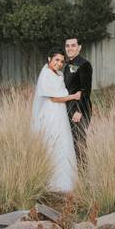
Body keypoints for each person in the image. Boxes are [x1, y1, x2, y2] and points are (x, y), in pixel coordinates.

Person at [32, 48, 81, 193]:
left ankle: (65, 181)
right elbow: (53, 98)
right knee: (53, 142)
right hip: (50, 112)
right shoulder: (46, 74)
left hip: (59, 112)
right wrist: (73, 97)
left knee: (62, 143)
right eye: (56, 60)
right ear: (49, 59)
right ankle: (52, 181)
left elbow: (71, 74)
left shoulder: (58, 73)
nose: (59, 63)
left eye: (61, 61)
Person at [62, 37, 92, 160]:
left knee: (78, 141)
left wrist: (79, 110)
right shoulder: (68, 65)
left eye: (73, 45)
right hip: (68, 106)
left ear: (79, 47)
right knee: (71, 142)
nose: (70, 48)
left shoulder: (84, 64)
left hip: (79, 108)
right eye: (67, 45)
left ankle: (83, 173)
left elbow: (85, 89)